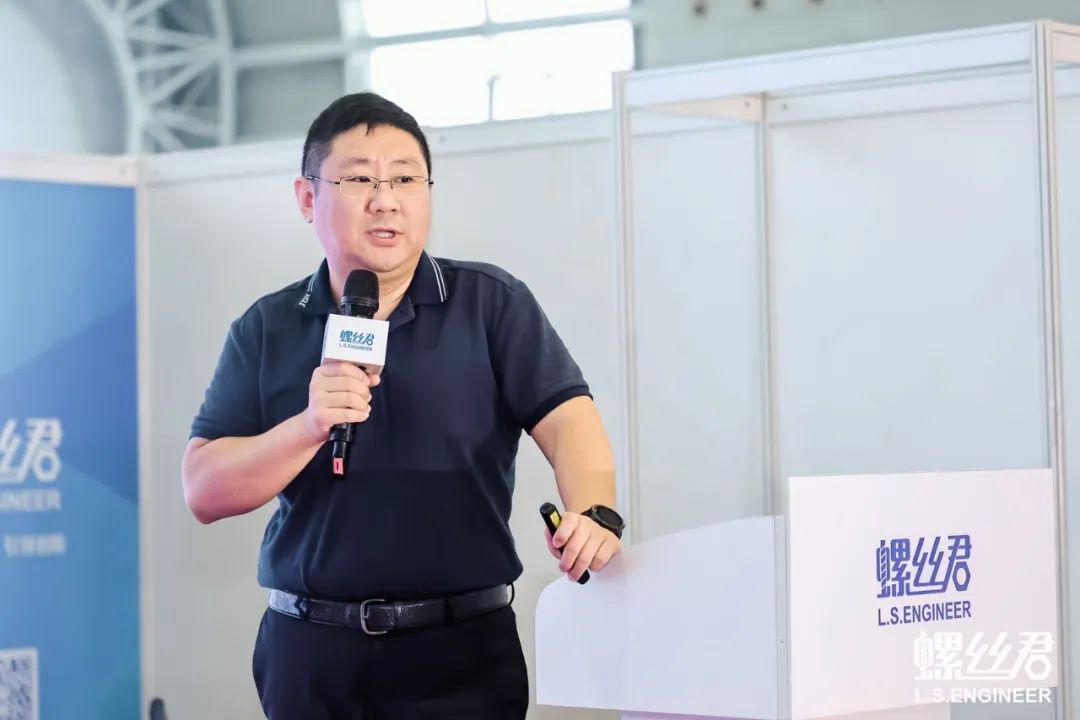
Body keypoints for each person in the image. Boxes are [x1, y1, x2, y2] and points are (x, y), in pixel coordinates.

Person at [180, 92, 625, 719]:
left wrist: (593, 510)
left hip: (461, 656)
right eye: (360, 179)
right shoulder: (267, 327)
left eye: (406, 179)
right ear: (307, 198)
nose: (385, 199)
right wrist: (309, 426)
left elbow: (569, 418)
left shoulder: (489, 303)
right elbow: (204, 490)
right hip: (311, 655)